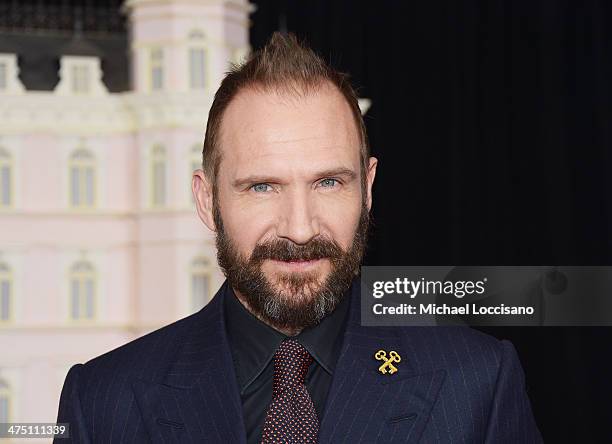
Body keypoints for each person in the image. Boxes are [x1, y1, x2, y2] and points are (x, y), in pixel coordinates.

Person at [55, 32, 543, 443]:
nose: (300, 227)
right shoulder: (102, 402)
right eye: (262, 187)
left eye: (329, 182)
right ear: (207, 201)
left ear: (367, 188)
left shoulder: (478, 382)